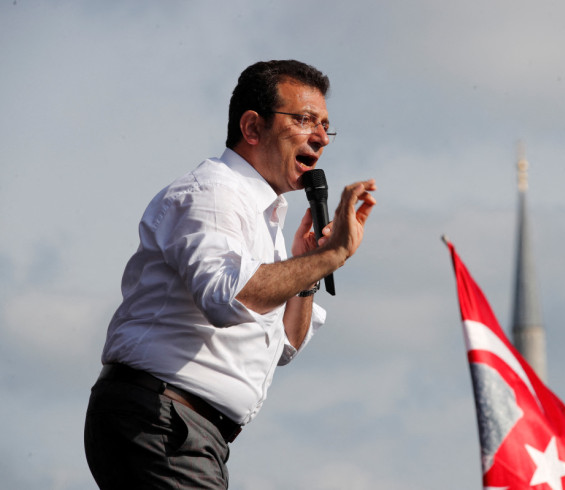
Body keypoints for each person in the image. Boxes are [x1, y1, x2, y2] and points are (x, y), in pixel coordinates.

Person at [84, 60, 377, 489]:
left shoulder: (267, 220)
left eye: (325, 126)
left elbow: (285, 344)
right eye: (303, 120)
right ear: (253, 128)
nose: (319, 137)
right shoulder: (214, 195)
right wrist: (331, 256)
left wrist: (307, 266)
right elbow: (228, 298)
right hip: (161, 420)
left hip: (187, 433)